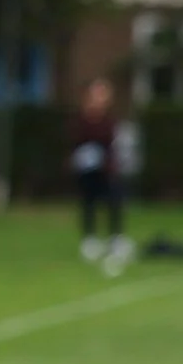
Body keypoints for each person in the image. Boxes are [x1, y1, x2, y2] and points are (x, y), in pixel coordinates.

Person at [70, 78, 130, 276]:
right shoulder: (82, 119)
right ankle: (90, 239)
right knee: (89, 201)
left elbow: (112, 144)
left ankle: (116, 238)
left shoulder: (110, 120)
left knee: (115, 198)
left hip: (106, 169)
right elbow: (75, 141)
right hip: (87, 170)